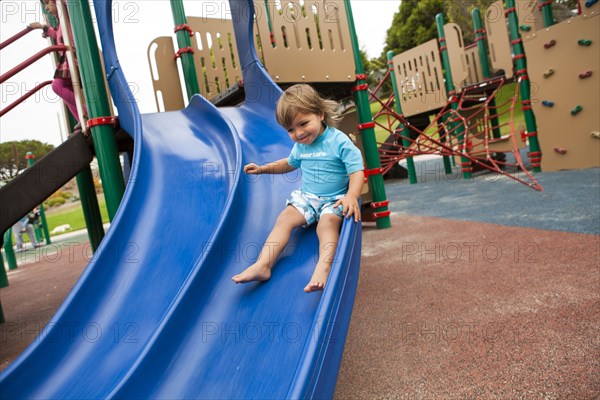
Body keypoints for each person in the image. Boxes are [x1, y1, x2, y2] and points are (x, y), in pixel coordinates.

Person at [232, 84, 365, 292]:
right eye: (291, 130)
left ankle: (324, 267)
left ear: (320, 114)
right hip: (308, 197)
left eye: (303, 123)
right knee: (284, 218)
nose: (299, 133)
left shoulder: (338, 141)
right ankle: (263, 264)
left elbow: (357, 170)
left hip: (335, 198)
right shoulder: (301, 146)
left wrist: (351, 195)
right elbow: (288, 163)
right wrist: (262, 169)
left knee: (327, 224)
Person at [29, 0, 82, 125]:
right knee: (65, 89)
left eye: (48, 3)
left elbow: (66, 3)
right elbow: (56, 33)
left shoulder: (67, 15)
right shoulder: (60, 24)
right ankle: (81, 118)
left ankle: (85, 113)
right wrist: (42, 27)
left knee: (57, 86)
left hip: (73, 57)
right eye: (45, 5)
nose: (47, 8)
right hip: (67, 59)